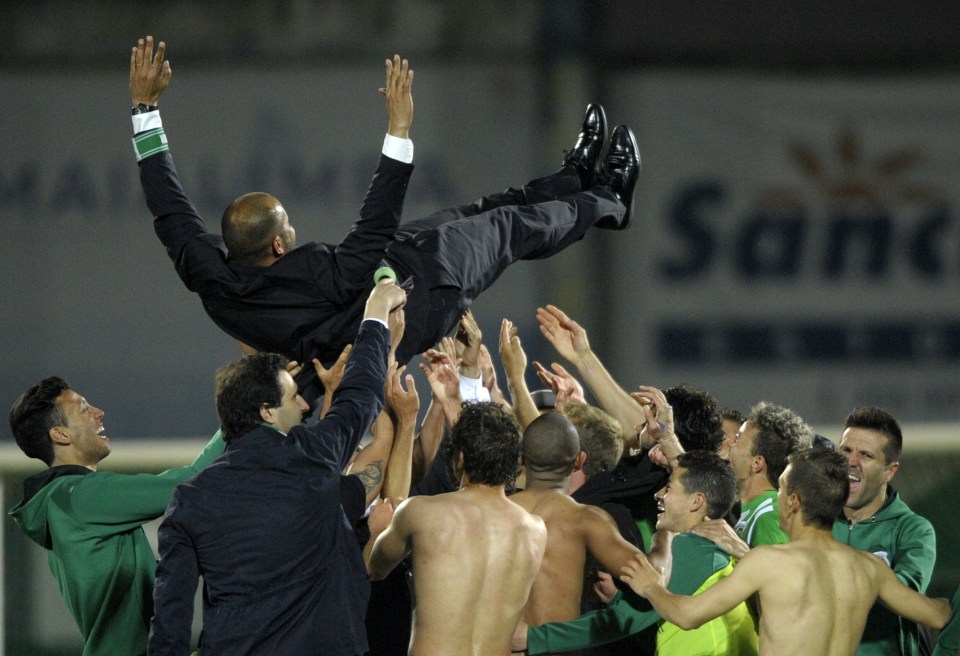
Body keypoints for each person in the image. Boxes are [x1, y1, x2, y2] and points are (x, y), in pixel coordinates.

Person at [129, 36, 640, 408]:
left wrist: (145, 109)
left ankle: (572, 180)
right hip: (423, 294)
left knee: (478, 211)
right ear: (279, 247)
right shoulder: (315, 276)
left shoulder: (211, 277)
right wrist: (398, 130)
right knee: (509, 229)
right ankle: (609, 200)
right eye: (288, 226)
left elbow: (170, 210)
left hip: (394, 268)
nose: (294, 230)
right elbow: (371, 231)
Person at [147, 278, 406, 656]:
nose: (304, 406)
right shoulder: (311, 456)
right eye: (293, 396)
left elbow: (170, 620)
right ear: (266, 412)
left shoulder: (191, 499)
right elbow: (361, 396)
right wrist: (375, 314)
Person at [620, 449, 951, 656]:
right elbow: (939, 614)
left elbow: (688, 615)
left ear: (792, 502)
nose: (777, 496)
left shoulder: (769, 563)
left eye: (781, 489)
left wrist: (651, 586)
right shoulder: (868, 568)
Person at [7, 378, 225, 656]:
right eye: (84, 408)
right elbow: (188, 484)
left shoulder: (63, 503)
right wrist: (242, 413)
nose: (99, 412)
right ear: (61, 435)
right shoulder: (78, 495)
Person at [520, 450, 758, 655]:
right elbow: (659, 620)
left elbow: (625, 620)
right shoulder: (715, 549)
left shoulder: (694, 547)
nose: (659, 495)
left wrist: (534, 638)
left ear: (696, 501)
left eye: (669, 488)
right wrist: (617, 599)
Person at [365, 402, 548, 656]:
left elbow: (374, 569)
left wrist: (378, 530)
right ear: (515, 460)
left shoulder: (420, 512)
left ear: (459, 457)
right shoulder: (536, 530)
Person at [509, 413, 642, 630]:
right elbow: (650, 583)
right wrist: (665, 540)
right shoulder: (587, 520)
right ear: (579, 461)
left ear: (522, 459)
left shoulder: (491, 516)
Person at [833, 406, 937, 656]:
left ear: (890, 471)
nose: (851, 461)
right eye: (846, 450)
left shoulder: (912, 530)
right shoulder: (814, 518)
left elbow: (905, 596)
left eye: (866, 455)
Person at [694, 401, 813, 556]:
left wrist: (742, 552)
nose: (729, 443)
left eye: (737, 439)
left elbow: (780, 575)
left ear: (756, 463)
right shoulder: (744, 509)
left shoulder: (771, 514)